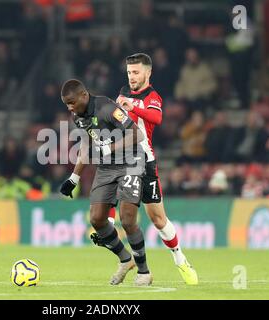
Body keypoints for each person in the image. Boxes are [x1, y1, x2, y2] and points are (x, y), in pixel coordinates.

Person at [87, 53, 198, 285]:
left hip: (145, 163)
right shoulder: (122, 93)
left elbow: (157, 118)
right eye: (129, 72)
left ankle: (180, 259)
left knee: (158, 219)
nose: (132, 76)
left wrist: (133, 108)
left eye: (136, 72)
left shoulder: (152, 96)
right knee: (117, 208)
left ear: (148, 73)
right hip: (125, 160)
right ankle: (138, 268)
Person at [59, 79, 153, 286]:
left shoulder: (107, 108)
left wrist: (109, 148)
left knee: (127, 219)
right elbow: (86, 147)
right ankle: (125, 260)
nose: (70, 107)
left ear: (84, 95)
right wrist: (73, 178)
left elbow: (137, 134)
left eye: (72, 102)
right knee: (97, 219)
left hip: (131, 162)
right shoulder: (78, 117)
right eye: (66, 104)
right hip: (106, 167)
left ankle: (144, 272)